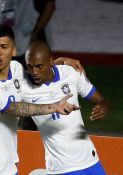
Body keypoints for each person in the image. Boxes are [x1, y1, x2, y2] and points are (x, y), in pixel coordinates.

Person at [22, 41, 110, 174]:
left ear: (51, 61)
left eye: (39, 66)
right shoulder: (23, 86)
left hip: (91, 160)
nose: (34, 72)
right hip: (62, 168)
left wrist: (104, 107)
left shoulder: (71, 73)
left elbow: (101, 100)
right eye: (30, 66)